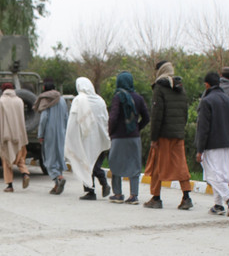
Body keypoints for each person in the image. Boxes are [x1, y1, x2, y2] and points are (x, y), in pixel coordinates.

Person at [144, 61, 193, 210]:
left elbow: (157, 115)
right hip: (178, 133)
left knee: (157, 165)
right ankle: (186, 197)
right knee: (181, 165)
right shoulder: (180, 87)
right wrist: (180, 129)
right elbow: (185, 112)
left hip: (163, 134)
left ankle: (156, 198)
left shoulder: (159, 87)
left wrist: (154, 138)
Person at [196, 71, 229, 216]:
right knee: (221, 174)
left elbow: (203, 127)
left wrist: (200, 149)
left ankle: (228, 197)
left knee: (211, 175)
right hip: (227, 144)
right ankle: (218, 205)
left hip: (211, 144)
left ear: (207, 85)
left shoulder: (207, 101)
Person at [65, 76, 111, 200]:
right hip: (101, 137)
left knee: (86, 164)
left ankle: (92, 190)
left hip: (86, 139)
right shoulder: (100, 100)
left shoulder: (79, 100)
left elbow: (73, 122)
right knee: (95, 164)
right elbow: (105, 118)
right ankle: (102, 184)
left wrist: (71, 138)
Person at [107, 71, 150, 204]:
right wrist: (137, 128)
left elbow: (113, 117)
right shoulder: (138, 98)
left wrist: (111, 132)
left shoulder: (118, 97)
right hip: (133, 137)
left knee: (115, 163)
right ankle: (133, 196)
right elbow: (147, 118)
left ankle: (118, 194)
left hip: (118, 137)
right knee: (134, 164)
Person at [0, 83, 32, 192]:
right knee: (19, 158)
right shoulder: (19, 101)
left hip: (7, 136)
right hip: (19, 135)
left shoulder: (2, 102)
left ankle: (10, 185)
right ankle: (25, 173)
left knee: (7, 160)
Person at [34, 79, 68, 194]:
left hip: (49, 133)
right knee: (59, 156)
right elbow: (66, 117)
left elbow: (44, 118)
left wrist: (40, 134)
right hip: (61, 133)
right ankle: (57, 185)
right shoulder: (62, 100)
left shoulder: (46, 99)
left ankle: (58, 177)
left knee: (49, 157)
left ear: (44, 88)